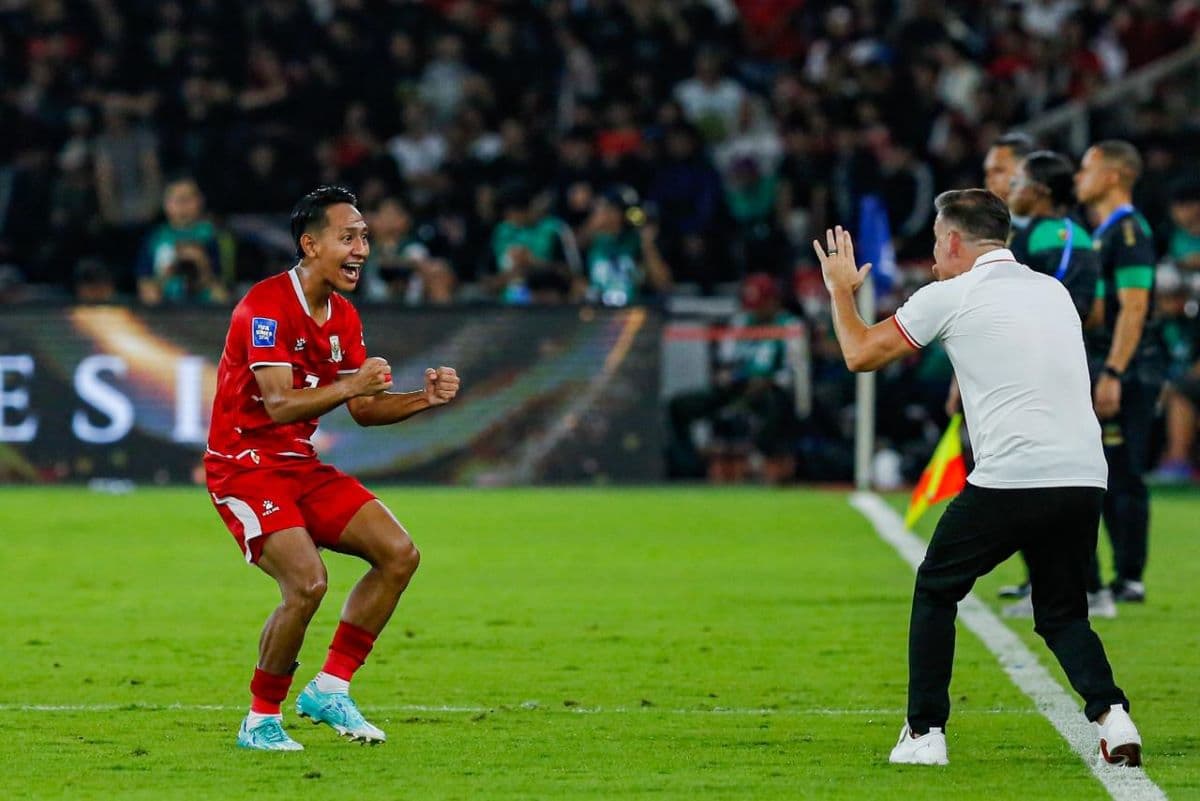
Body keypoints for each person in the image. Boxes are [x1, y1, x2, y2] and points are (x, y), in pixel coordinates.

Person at [813, 190, 1142, 767]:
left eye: (938, 244)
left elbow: (861, 354)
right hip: (1084, 473)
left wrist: (842, 292)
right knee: (1063, 612)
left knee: (937, 587)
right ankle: (1114, 717)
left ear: (956, 241)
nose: (934, 259)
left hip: (1014, 473)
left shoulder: (951, 294)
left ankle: (924, 734)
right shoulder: (1053, 291)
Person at [204, 186, 461, 751]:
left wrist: (424, 398)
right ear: (310, 243)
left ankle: (330, 687)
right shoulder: (265, 306)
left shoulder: (342, 314)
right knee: (307, 583)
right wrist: (353, 383)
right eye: (349, 236)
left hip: (298, 465)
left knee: (399, 554)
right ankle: (260, 719)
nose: (362, 248)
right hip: (244, 467)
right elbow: (277, 405)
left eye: (365, 236)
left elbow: (364, 410)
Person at [1001, 149, 1107, 617]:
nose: (1012, 189)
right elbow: (1094, 308)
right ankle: (1063, 584)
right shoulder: (1065, 236)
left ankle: (1081, 588)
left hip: (1039, 369)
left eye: (1019, 181)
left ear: (1041, 191)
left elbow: (1022, 305)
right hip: (1059, 366)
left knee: (1039, 479)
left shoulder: (1046, 237)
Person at [1075, 140, 1164, 604]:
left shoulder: (1129, 233)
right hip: (1113, 363)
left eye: (1087, 169)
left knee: (1124, 471)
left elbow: (1134, 307)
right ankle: (1114, 575)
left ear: (1112, 175)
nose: (1078, 178)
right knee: (1106, 470)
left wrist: (1113, 371)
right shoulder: (1105, 233)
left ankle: (1130, 577)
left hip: (1129, 367)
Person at [958, 131, 1037, 602]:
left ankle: (1099, 581)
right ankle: (1039, 575)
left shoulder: (1049, 235)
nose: (988, 179)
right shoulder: (1005, 237)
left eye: (998, 170)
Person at [667, 273, 805, 484]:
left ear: (773, 301)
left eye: (759, 305)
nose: (755, 311)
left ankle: (758, 458)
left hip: (772, 391)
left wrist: (767, 381)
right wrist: (724, 375)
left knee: (774, 404)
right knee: (679, 405)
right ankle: (689, 468)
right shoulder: (741, 322)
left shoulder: (790, 325)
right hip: (737, 388)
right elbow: (725, 360)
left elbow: (794, 372)